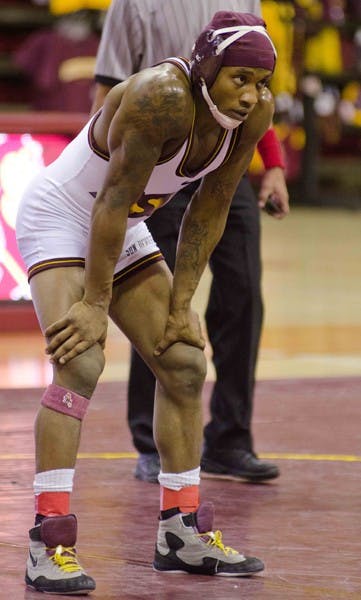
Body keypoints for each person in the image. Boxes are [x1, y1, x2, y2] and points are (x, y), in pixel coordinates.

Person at [17, 11, 287, 594]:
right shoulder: (160, 95)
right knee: (82, 361)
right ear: (208, 68)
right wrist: (94, 301)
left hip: (128, 221)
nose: (250, 95)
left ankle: (178, 530)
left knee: (185, 361)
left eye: (260, 82)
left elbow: (211, 207)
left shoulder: (255, 113)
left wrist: (183, 302)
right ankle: (49, 538)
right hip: (67, 215)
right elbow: (111, 200)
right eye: (239, 79)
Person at [91, 0, 290, 484]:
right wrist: (108, 174)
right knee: (155, 298)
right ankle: (150, 441)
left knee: (243, 293)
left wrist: (275, 166)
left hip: (225, 160)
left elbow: (252, 82)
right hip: (158, 163)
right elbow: (107, 91)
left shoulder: (243, 0)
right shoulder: (134, 5)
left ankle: (230, 438)